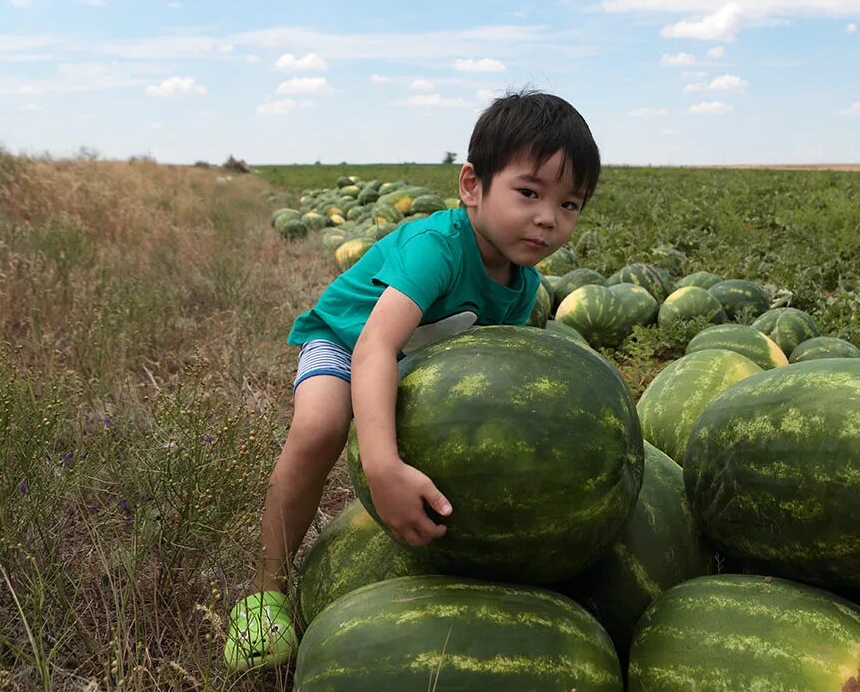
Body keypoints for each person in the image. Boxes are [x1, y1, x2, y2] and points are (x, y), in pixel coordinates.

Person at [223, 90, 601, 670]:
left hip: (409, 362)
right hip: (348, 340)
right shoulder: (437, 249)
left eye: (570, 204)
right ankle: (263, 593)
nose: (548, 218)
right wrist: (380, 466)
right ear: (472, 185)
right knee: (322, 428)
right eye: (529, 192)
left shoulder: (524, 288)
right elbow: (376, 344)